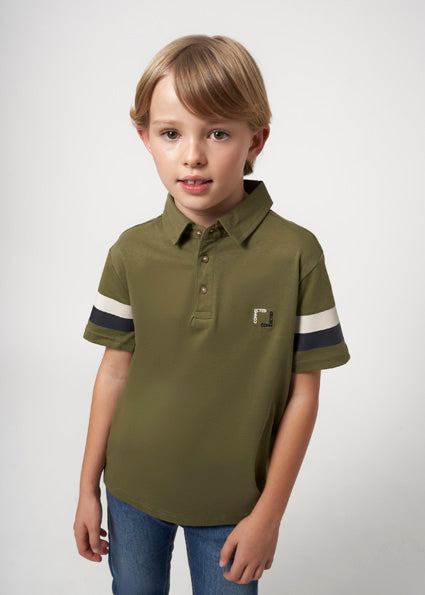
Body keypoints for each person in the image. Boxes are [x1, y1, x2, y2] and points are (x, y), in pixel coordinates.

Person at [73, 34, 351, 594]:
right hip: (131, 491)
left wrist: (269, 515)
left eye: (217, 133)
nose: (192, 155)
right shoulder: (130, 251)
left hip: (235, 508)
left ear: (256, 139)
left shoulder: (296, 254)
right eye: (170, 133)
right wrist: (87, 488)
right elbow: (114, 371)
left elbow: (303, 395)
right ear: (145, 138)